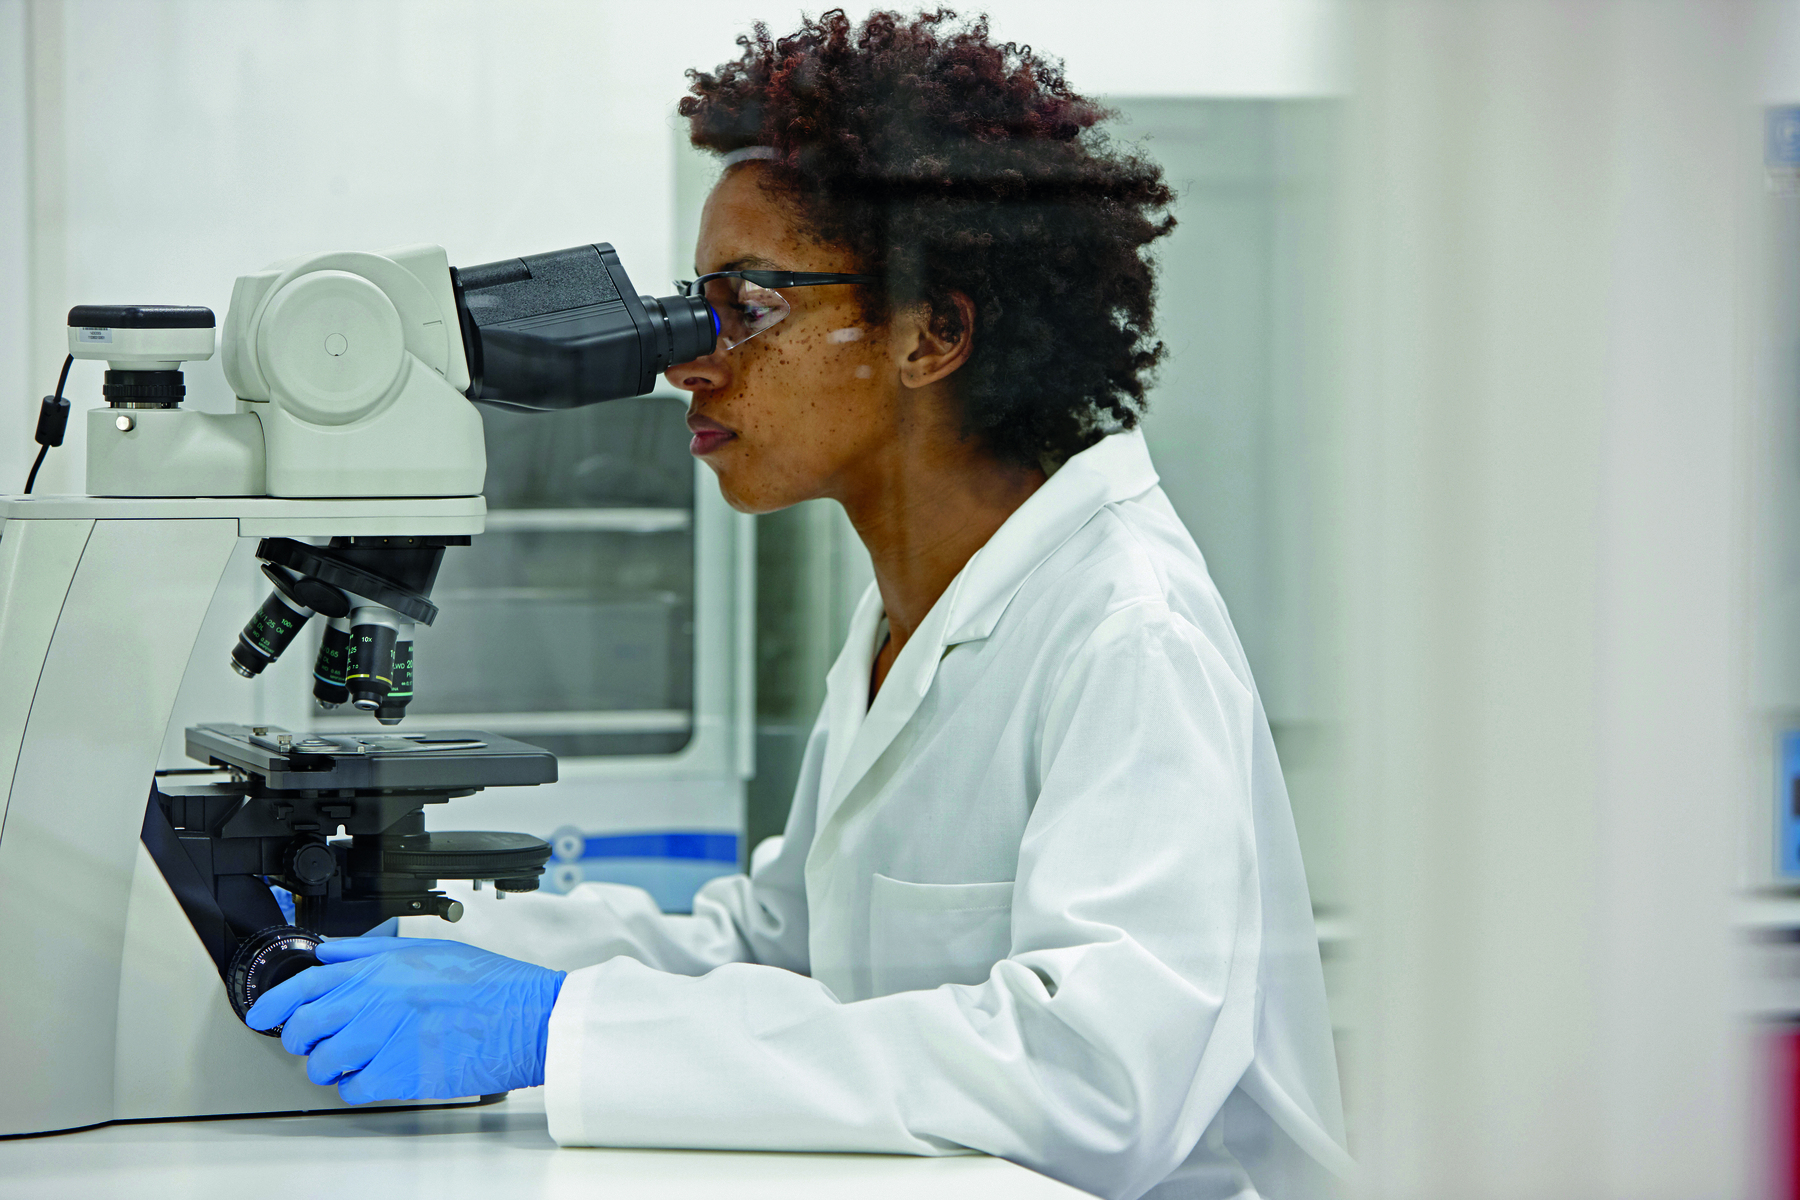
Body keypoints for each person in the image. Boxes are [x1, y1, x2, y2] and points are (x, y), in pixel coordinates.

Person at [247, 11, 1351, 1198]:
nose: (688, 359)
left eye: (751, 303)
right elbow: (778, 946)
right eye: (698, 301)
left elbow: (1096, 1080)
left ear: (931, 333)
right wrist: (442, 944)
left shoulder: (1127, 632)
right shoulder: (913, 613)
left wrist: (563, 1028)